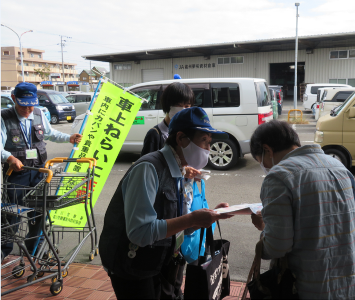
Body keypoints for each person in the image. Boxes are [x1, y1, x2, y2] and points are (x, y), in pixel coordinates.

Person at [99, 107, 232, 299]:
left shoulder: (180, 171)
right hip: (131, 267)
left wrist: (204, 219)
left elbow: (174, 225)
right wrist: (192, 219)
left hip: (158, 262)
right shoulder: (149, 169)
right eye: (204, 141)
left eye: (210, 143)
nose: (208, 149)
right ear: (180, 138)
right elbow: (140, 233)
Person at [249, 120, 355, 299]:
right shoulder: (338, 166)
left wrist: (265, 230)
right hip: (350, 286)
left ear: (267, 150)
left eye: (261, 161)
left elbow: (278, 246)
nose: (265, 167)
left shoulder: (279, 176)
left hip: (311, 287)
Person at [1, 82, 82, 259]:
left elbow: (50, 133)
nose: (29, 109)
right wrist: (10, 158)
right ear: (14, 99)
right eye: (24, 105)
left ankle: (34, 249)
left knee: (38, 212)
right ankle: (3, 250)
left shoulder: (38, 113)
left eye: (32, 104)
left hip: (39, 172)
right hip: (16, 175)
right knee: (11, 213)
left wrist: (69, 138)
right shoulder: (4, 117)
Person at [140, 82, 200, 299]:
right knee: (165, 273)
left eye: (188, 104)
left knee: (177, 268)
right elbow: (150, 175)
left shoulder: (186, 133)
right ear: (167, 106)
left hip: (180, 204)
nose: (184, 108)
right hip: (162, 213)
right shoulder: (155, 134)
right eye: (179, 104)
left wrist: (187, 171)